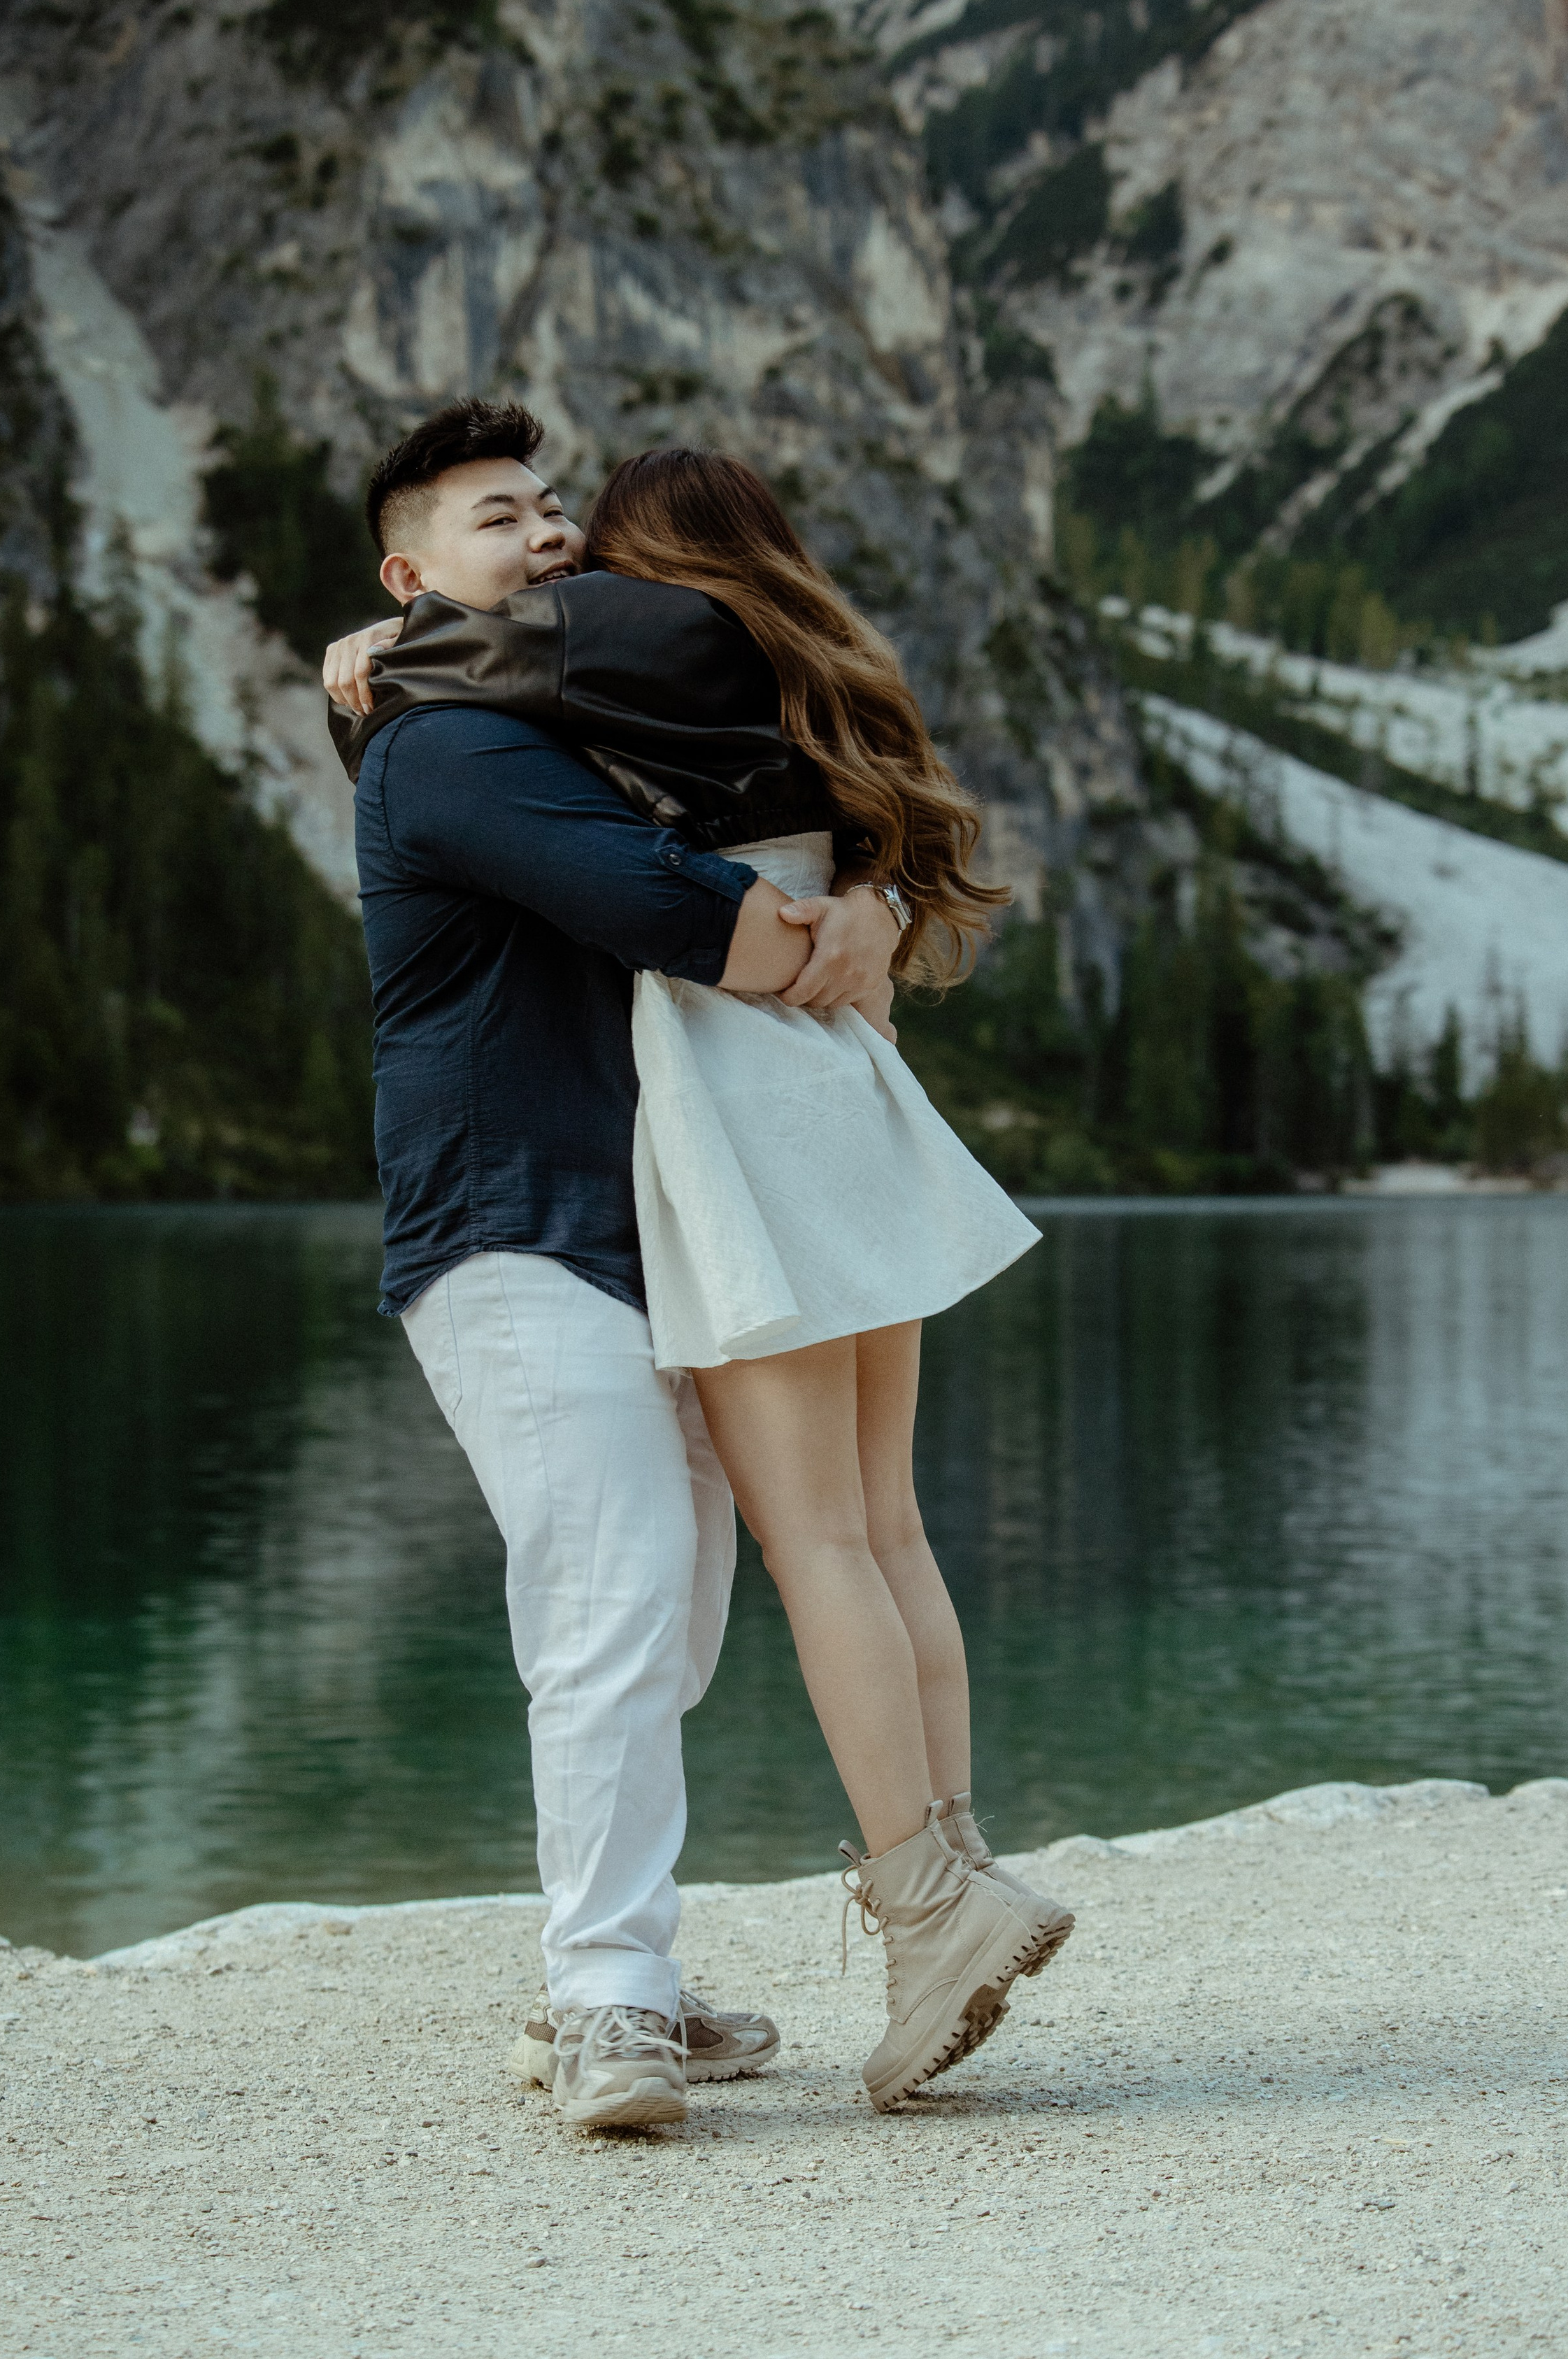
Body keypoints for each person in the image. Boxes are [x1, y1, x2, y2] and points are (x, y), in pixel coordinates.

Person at [327, 425, 1076, 2114]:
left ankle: (687, 1957)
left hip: (695, 1180)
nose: (553, 541)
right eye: (503, 519)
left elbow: (696, 858)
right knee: (663, 1584)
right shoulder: (458, 743)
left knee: (702, 1591)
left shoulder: (553, 695)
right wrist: (847, 895)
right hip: (529, 1212)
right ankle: (638, 1985)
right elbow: (701, 917)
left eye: (562, 516)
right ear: (407, 569)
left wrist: (856, 891)